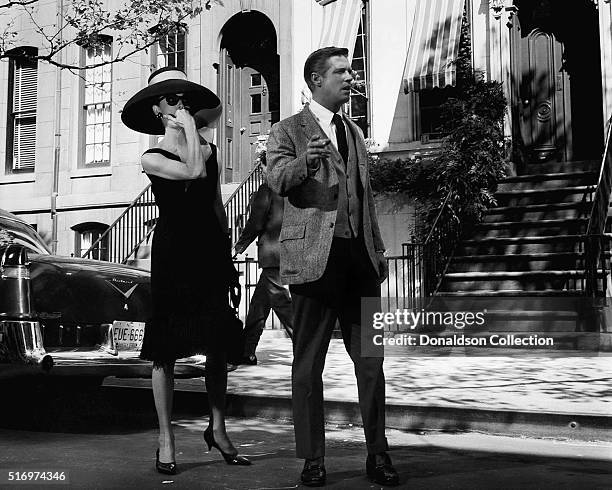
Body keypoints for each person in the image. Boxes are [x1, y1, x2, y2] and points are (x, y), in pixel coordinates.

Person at [266, 47, 399, 486]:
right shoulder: (288, 131)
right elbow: (278, 181)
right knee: (307, 366)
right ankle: (312, 459)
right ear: (315, 80)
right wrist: (308, 161)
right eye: (341, 71)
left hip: (359, 264)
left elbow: (366, 199)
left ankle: (378, 455)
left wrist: (377, 251)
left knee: (372, 362)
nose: (350, 77)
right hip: (312, 263)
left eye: (350, 70)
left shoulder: (355, 132)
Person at [121, 67, 250, 475]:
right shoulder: (152, 157)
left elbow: (213, 202)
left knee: (216, 344)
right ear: (158, 108)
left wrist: (226, 252)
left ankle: (218, 428)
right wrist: (192, 132)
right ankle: (166, 436)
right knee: (166, 350)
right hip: (174, 255)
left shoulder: (209, 150)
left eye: (186, 99)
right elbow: (191, 171)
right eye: (173, 99)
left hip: (208, 251)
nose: (183, 106)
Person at [233, 155, 294, 365]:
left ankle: (305, 346)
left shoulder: (267, 189)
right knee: (259, 305)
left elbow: (255, 222)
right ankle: (246, 351)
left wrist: (239, 246)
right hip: (288, 251)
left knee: (282, 304)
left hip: (272, 254)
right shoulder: (293, 189)